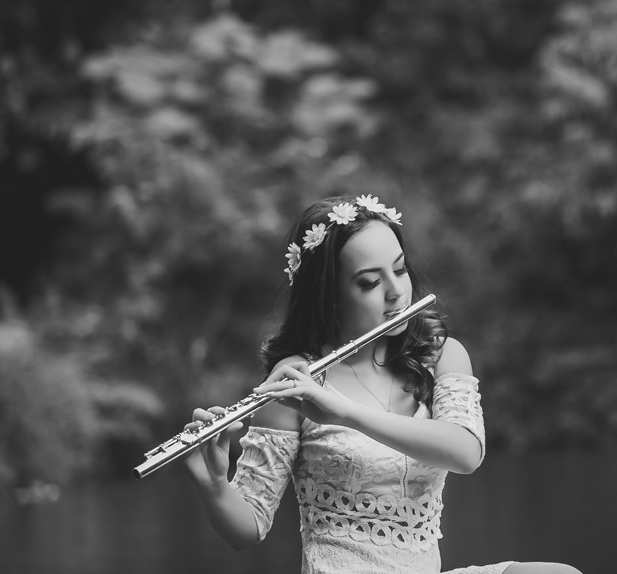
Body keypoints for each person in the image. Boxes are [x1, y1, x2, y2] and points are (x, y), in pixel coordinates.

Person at [183, 194, 581, 574]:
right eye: (370, 283)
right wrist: (216, 484)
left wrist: (346, 413)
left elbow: (466, 453)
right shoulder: (296, 380)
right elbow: (247, 528)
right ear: (330, 297)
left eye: (401, 269)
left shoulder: (440, 355)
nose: (397, 291)